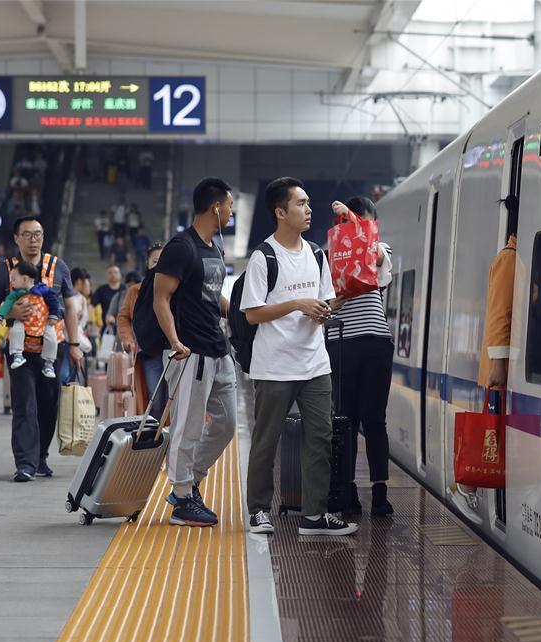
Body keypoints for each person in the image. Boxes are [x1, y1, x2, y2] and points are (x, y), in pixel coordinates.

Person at [241, 176, 358, 536]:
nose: (308, 210)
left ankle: (314, 513)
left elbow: (324, 300)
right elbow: (252, 313)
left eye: (308, 203)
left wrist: (328, 307)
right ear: (280, 212)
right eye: (301, 204)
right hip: (275, 365)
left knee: (320, 438)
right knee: (266, 438)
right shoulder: (264, 256)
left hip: (314, 362)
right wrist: (296, 304)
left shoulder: (317, 254)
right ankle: (259, 510)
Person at [153, 177, 236, 527]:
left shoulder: (213, 247)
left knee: (227, 424)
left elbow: (211, 295)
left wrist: (240, 315)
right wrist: (174, 341)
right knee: (187, 425)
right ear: (215, 207)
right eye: (230, 205)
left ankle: (189, 480)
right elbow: (161, 299)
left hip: (219, 349)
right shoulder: (181, 247)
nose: (232, 212)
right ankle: (183, 498)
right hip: (191, 352)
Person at [0, 217, 83, 481]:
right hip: (20, 350)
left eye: (37, 234)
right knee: (24, 402)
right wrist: (11, 311)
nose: (33, 239)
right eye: (26, 235)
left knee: (48, 404)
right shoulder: (5, 269)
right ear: (16, 239)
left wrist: (74, 345)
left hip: (53, 347)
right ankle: (25, 464)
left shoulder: (58, 266)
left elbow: (71, 307)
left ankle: (40, 457)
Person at [451, 194, 520, 518]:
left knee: (499, 433)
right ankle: (466, 487)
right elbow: (498, 315)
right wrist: (499, 365)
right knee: (491, 432)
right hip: (501, 369)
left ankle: (469, 487)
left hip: (506, 367)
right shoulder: (510, 257)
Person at [326, 196, 394, 517]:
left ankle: (380, 491)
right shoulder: (328, 256)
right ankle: (348, 488)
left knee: (375, 420)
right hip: (341, 342)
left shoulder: (381, 249)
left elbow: (375, 259)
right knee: (346, 420)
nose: (357, 229)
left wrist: (352, 218)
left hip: (376, 343)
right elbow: (323, 300)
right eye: (351, 224)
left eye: (365, 223)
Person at [118, 242, 166, 419]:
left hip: (176, 353)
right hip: (150, 354)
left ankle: (172, 443)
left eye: (164, 260)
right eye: (155, 261)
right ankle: (155, 440)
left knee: (177, 401)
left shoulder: (177, 288)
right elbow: (123, 317)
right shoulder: (135, 291)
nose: (159, 265)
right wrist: (127, 338)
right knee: (155, 400)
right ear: (147, 263)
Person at [0, 261, 62, 379]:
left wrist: (53, 315)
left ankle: (49, 363)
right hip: (23, 322)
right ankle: (18, 354)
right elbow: (6, 305)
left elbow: (54, 301)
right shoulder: (15, 294)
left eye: (13, 279)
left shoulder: (43, 289)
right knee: (15, 330)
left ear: (25, 279)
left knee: (51, 336)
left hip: (42, 322)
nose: (11, 282)